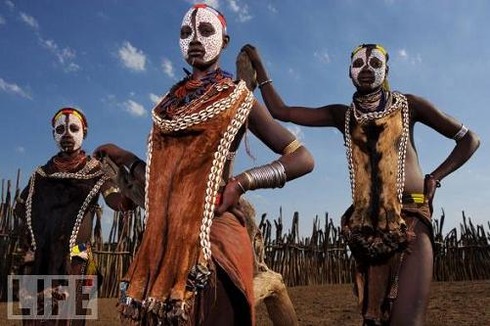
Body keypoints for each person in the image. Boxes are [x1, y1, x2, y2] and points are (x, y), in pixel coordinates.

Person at [94, 4, 314, 326]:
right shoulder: (165, 108)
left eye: (206, 31)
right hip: (164, 234)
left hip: (213, 225)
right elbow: (164, 178)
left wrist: (240, 184)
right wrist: (127, 158)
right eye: (186, 32)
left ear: (224, 41)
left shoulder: (237, 98)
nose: (195, 38)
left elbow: (301, 157)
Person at [241, 43, 480, 325]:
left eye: (375, 64)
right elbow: (282, 111)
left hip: (413, 216)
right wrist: (257, 62)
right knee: (375, 319)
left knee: (407, 320)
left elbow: (469, 140)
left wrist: (435, 177)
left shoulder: (408, 105)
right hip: (367, 228)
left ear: (386, 70)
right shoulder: (342, 115)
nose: (366, 69)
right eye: (359, 64)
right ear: (349, 73)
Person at [14, 107, 133, 325]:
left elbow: (115, 200)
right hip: (42, 254)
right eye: (60, 129)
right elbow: (23, 210)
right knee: (36, 317)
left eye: (73, 128)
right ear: (54, 135)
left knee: (73, 317)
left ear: (84, 133)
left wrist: (129, 195)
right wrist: (34, 245)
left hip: (79, 255)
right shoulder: (40, 176)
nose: (67, 134)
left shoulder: (96, 170)